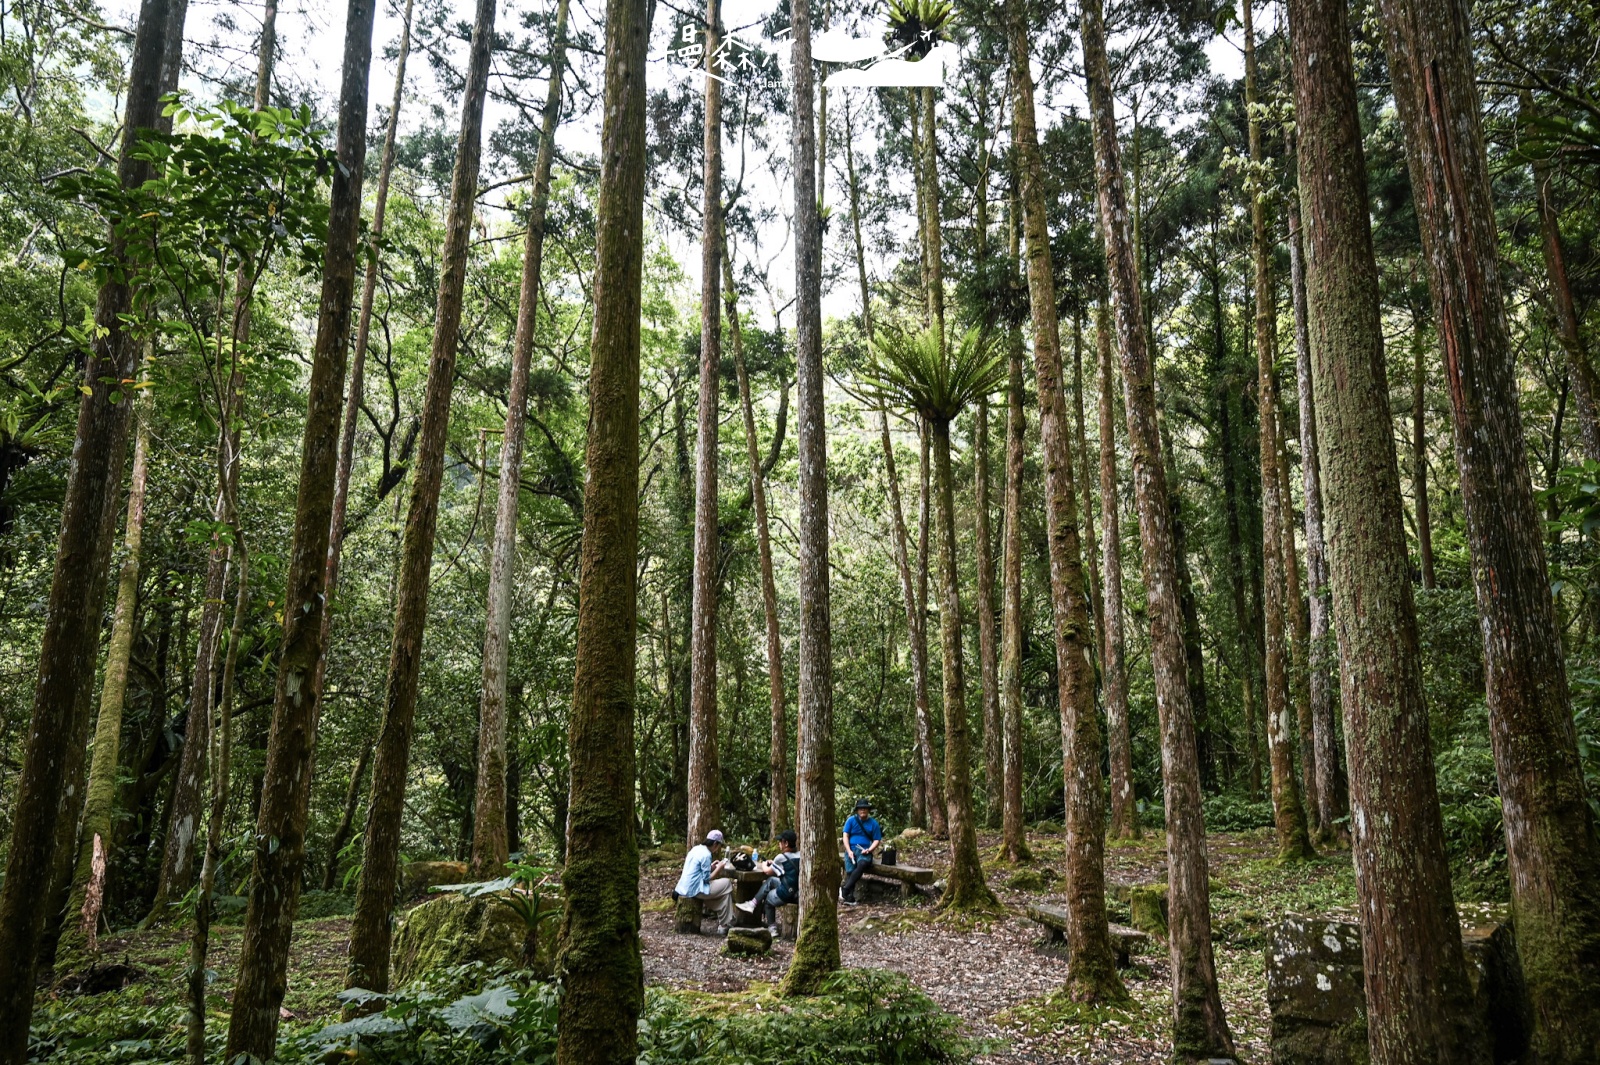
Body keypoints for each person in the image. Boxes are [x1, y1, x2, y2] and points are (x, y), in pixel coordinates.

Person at [672, 829, 735, 932]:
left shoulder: (696, 849)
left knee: (725, 895)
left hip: (684, 887)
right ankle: (725, 924)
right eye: (719, 845)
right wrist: (719, 868)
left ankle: (724, 925)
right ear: (715, 844)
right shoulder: (706, 855)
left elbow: (697, 870)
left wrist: (711, 867)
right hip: (694, 889)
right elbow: (706, 879)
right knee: (727, 883)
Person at [736, 829, 799, 932]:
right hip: (798, 892)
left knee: (768, 899)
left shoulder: (781, 857)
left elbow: (767, 871)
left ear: (786, 843)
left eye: (780, 842)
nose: (779, 844)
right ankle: (752, 904)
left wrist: (765, 864)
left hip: (787, 893)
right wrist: (774, 863)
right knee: (771, 881)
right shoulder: (801, 855)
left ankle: (772, 928)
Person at [839, 799, 882, 905]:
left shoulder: (873, 823)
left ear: (868, 810)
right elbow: (845, 835)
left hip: (865, 850)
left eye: (865, 808)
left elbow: (877, 839)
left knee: (863, 863)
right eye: (861, 808)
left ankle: (846, 888)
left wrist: (870, 849)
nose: (863, 810)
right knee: (850, 870)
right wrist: (848, 850)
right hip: (852, 849)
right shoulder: (851, 820)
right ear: (857, 810)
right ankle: (850, 898)